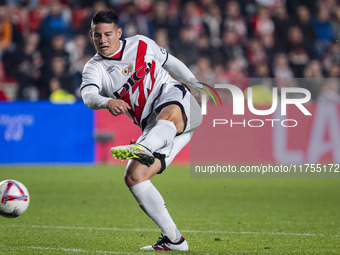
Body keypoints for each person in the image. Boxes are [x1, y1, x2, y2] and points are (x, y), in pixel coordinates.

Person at [80, 10, 202, 251]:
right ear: (91, 36)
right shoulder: (95, 68)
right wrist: (107, 102)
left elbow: (170, 62)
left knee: (167, 111)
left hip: (175, 100)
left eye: (107, 34)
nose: (103, 40)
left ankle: (144, 147)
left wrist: (195, 83)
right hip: (157, 129)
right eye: (97, 36)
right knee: (134, 178)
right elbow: (88, 96)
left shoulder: (142, 44)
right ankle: (174, 239)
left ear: (118, 33)